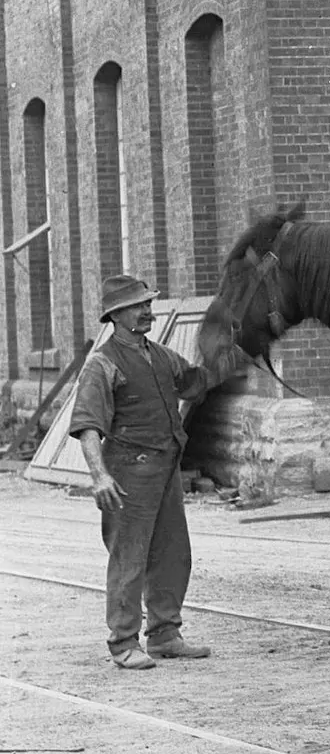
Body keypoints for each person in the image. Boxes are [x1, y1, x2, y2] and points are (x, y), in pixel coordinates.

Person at [70, 275, 232, 670]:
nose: (147, 311)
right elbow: (88, 424)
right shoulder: (102, 363)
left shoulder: (160, 355)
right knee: (129, 556)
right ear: (116, 316)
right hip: (126, 472)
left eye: (148, 303)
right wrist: (99, 476)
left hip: (166, 466)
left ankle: (164, 635)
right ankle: (123, 642)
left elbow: (193, 383)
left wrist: (226, 354)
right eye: (137, 306)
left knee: (173, 553)